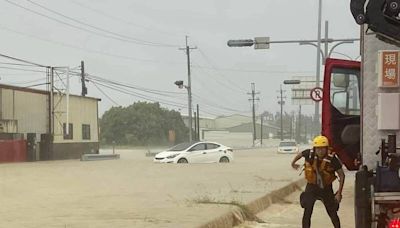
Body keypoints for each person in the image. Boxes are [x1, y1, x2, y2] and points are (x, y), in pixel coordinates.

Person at [291, 135, 345, 228]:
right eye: (318, 149)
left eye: (323, 149)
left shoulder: (332, 159)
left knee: (332, 212)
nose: (320, 151)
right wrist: (293, 163)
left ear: (326, 148)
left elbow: (342, 175)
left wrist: (339, 193)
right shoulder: (309, 154)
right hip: (311, 187)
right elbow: (300, 154)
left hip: (326, 188)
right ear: (315, 149)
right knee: (307, 211)